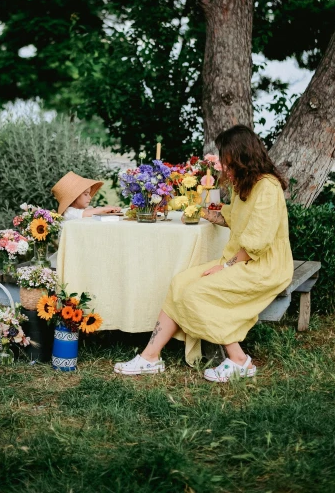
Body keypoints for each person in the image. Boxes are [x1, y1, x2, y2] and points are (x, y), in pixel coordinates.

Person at [114, 125, 294, 382]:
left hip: (264, 266)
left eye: (230, 165)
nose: (227, 171)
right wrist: (198, 210)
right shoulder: (246, 185)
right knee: (180, 283)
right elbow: (230, 218)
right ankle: (150, 357)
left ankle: (240, 360)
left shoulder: (268, 187)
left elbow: (258, 242)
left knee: (196, 294)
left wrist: (227, 267)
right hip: (239, 261)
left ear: (245, 158)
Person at [52, 171, 122, 220]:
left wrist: (110, 209)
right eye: (86, 194)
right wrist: (104, 209)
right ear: (75, 197)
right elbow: (86, 213)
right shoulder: (69, 212)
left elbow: (93, 211)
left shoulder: (84, 209)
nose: (90, 197)